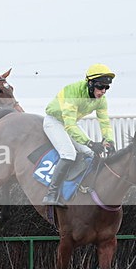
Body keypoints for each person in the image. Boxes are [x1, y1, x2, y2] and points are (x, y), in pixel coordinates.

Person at [41, 64, 117, 207]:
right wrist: (90, 143)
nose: (103, 91)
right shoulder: (73, 92)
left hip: (72, 123)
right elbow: (69, 126)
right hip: (55, 122)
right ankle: (51, 194)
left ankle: (80, 188)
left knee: (90, 154)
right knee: (69, 154)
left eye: (107, 88)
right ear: (90, 83)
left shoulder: (101, 100)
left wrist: (110, 141)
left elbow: (105, 122)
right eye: (101, 87)